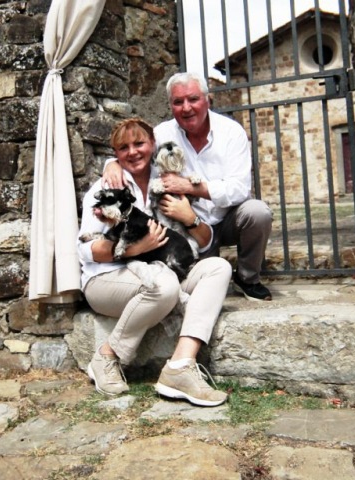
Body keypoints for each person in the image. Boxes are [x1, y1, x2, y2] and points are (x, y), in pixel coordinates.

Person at [77, 117, 232, 407]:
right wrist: (136, 249)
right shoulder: (107, 186)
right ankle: (107, 356)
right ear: (115, 153)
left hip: (165, 268)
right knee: (164, 286)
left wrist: (190, 218)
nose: (133, 152)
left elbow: (205, 242)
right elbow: (87, 251)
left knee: (219, 267)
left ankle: (180, 366)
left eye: (139, 143)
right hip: (107, 278)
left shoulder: (171, 182)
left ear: (152, 144)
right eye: (123, 148)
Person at [103, 72, 273, 302]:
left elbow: (240, 189)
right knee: (202, 286)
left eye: (193, 99)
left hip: (228, 218)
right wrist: (112, 163)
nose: (186, 108)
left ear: (207, 99)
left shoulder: (231, 132)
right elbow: (137, 153)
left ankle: (248, 278)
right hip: (188, 227)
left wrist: (193, 188)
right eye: (178, 102)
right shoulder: (162, 133)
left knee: (258, 212)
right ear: (170, 105)